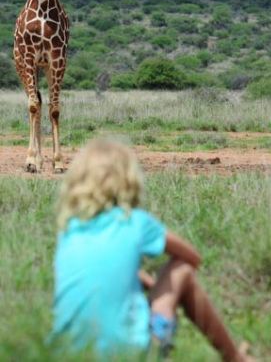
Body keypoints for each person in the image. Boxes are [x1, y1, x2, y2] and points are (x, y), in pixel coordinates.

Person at [50, 137, 252, 361]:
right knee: (182, 269)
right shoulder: (135, 221)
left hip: (66, 354)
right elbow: (193, 258)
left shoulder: (68, 230)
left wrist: (141, 279)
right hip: (131, 353)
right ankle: (235, 358)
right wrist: (158, 284)